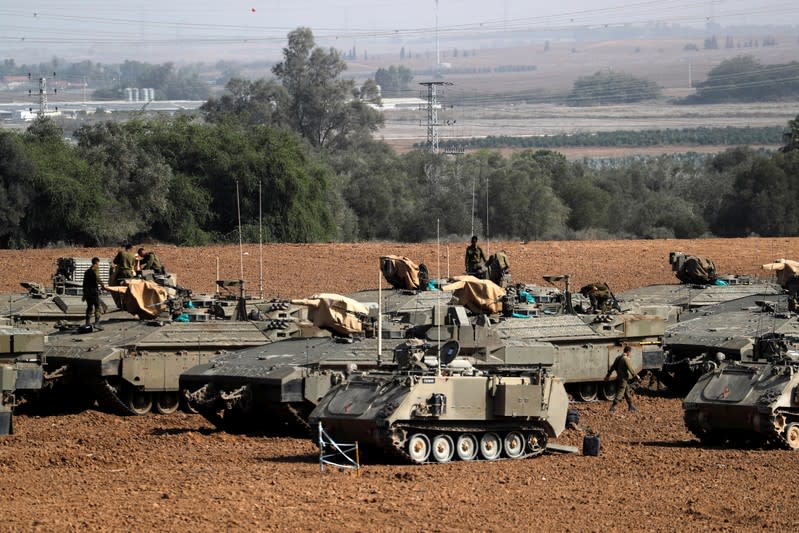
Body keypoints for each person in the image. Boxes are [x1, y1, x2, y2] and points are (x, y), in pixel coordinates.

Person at [604, 346, 640, 413]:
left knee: (627, 392)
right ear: (628, 352)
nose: (630, 354)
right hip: (623, 378)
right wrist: (637, 377)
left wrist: (608, 375)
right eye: (630, 352)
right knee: (621, 392)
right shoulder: (626, 359)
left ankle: (631, 406)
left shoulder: (618, 357)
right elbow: (631, 369)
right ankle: (613, 407)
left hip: (619, 377)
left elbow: (612, 367)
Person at [82, 257, 106, 331]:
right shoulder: (95, 269)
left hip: (87, 292)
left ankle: (87, 322)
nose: (99, 265)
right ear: (96, 263)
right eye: (98, 263)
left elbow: (84, 284)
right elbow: (97, 278)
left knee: (89, 307)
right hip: (93, 291)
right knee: (97, 307)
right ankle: (97, 323)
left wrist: (84, 294)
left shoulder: (86, 272)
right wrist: (103, 285)